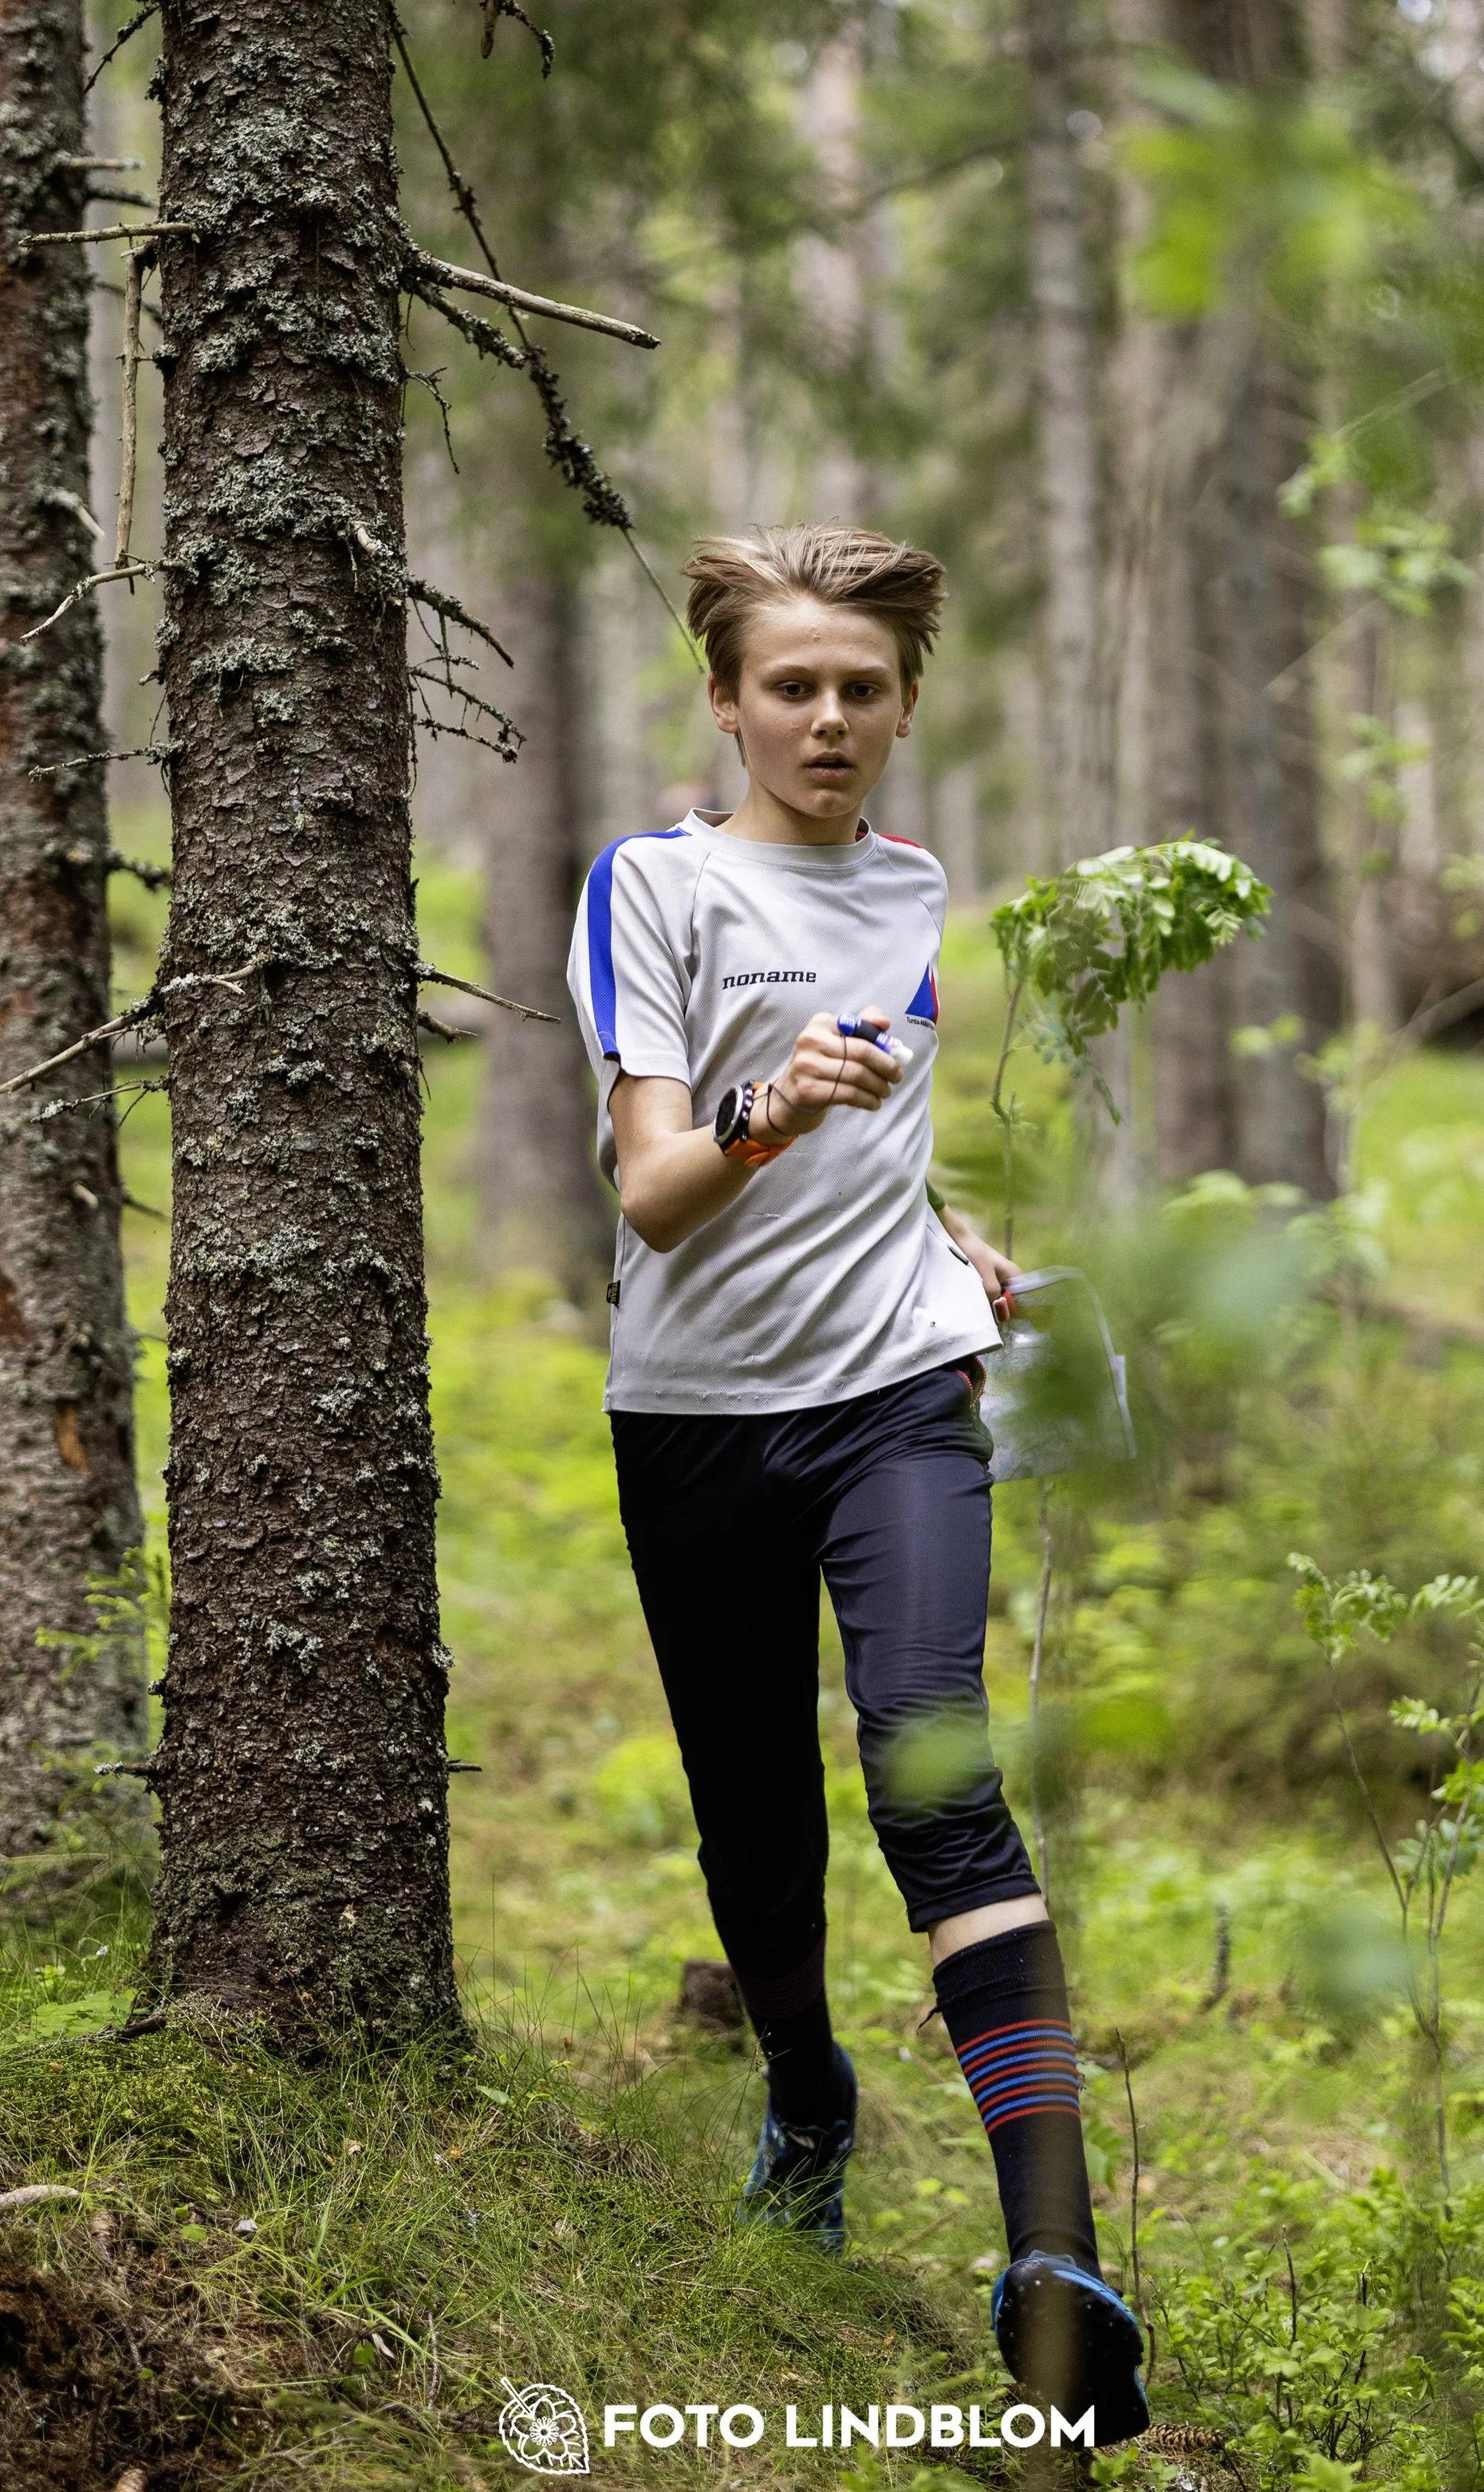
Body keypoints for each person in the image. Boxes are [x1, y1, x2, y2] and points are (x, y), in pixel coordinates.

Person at [565, 523, 1147, 2443]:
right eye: (790, 686)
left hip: (896, 1388)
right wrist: (769, 1113)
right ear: (726, 698)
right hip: (696, 1413)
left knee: (935, 1766)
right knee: (756, 1826)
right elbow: (650, 1186)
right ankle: (805, 2089)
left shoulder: (907, 882)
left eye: (861, 688)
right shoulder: (650, 884)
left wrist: (946, 1229)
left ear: (904, 706)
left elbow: (867, 1122)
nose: (826, 718)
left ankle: (1051, 2260)